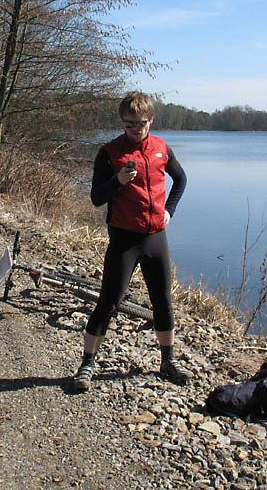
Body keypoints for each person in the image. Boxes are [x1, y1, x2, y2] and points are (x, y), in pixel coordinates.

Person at [72, 91, 193, 391]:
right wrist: (119, 182)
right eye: (129, 125)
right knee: (109, 301)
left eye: (140, 124)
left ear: (150, 120)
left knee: (163, 300)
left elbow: (181, 180)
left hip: (155, 237)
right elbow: (96, 198)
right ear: (122, 123)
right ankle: (87, 364)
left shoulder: (162, 148)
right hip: (124, 239)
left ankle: (168, 360)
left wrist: (169, 211)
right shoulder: (110, 153)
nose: (135, 130)